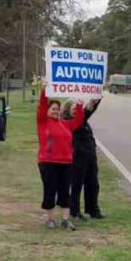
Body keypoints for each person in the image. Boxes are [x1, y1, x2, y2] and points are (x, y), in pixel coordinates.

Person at [36, 88, 85, 231]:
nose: (56, 111)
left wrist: (80, 105)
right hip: (48, 162)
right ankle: (50, 219)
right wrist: (44, 89)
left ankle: (65, 219)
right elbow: (42, 104)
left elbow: (78, 121)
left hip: (66, 163)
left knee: (65, 191)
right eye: (53, 109)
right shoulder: (42, 121)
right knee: (50, 190)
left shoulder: (65, 124)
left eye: (58, 109)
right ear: (47, 110)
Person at [69, 98, 104, 221]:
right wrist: (86, 106)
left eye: (75, 108)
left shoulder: (83, 120)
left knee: (93, 184)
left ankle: (93, 209)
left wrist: (98, 97)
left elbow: (89, 110)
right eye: (72, 109)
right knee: (76, 185)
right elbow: (85, 113)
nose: (75, 111)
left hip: (90, 157)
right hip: (78, 158)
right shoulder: (71, 122)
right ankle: (74, 211)